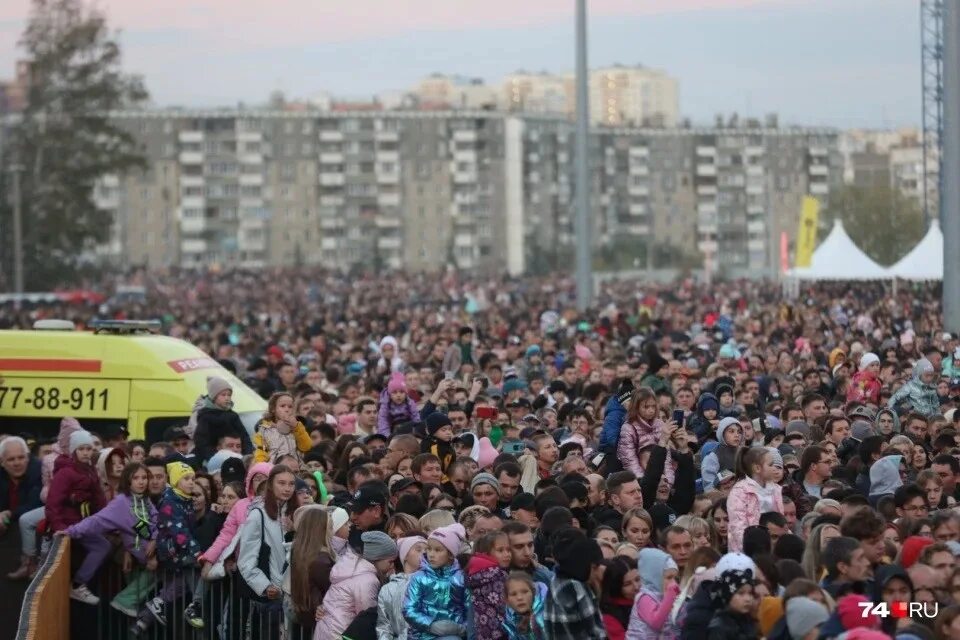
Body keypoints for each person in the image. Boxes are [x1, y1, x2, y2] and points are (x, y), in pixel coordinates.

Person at [60, 462, 157, 608]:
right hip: (145, 558)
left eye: (144, 477)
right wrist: (72, 531)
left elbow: (156, 521)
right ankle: (124, 602)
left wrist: (155, 540)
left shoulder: (145, 499)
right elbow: (97, 520)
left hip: (151, 553)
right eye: (136, 478)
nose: (141, 481)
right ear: (127, 480)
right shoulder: (120, 503)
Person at [239, 465, 296, 639]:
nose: (287, 488)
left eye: (291, 484)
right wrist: (264, 586)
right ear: (270, 485)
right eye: (282, 483)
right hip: (271, 597)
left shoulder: (298, 513)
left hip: (294, 595)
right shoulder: (258, 514)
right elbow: (246, 559)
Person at [315, 530, 398, 639]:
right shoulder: (368, 580)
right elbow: (367, 618)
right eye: (390, 562)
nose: (392, 567)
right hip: (341, 633)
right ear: (377, 558)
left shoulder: (352, 568)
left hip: (326, 630)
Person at [403, 522, 468, 639]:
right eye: (429, 549)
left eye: (438, 550)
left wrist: (462, 628)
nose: (431, 554)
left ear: (451, 554)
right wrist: (430, 625)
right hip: (422, 635)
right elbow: (408, 609)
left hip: (454, 634)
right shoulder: (419, 577)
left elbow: (470, 609)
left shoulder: (462, 579)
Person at [543, 527, 606, 640]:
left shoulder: (556, 580)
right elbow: (597, 633)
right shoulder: (576, 587)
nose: (597, 572)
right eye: (595, 567)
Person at [45, 430, 106, 533]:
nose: (86, 453)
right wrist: (60, 527)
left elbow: (99, 498)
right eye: (81, 449)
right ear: (73, 451)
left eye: (89, 449)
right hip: (68, 524)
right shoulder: (65, 473)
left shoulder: (91, 471)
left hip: (86, 523)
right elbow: (53, 504)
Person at [289, 506, 339, 632]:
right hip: (319, 617)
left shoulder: (300, 551)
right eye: (330, 526)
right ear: (320, 530)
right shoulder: (320, 560)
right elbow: (332, 588)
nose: (332, 531)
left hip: (305, 614)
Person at [0, 436, 43, 580]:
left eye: (21, 457)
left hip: (34, 534)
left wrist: (8, 514)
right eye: (11, 459)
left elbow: (35, 505)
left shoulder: (39, 472)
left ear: (28, 457)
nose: (17, 463)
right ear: (2, 462)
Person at [726, 447, 784, 553]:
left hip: (773, 547)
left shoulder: (775, 489)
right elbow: (738, 526)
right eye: (770, 465)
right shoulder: (740, 491)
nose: (775, 468)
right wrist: (750, 549)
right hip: (746, 551)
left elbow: (780, 518)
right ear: (757, 468)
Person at [193, 376, 255, 462]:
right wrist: (215, 458)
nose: (227, 398)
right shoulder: (206, 416)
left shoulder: (233, 415)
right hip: (214, 461)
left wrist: (247, 455)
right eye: (223, 395)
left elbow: (244, 437)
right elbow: (201, 441)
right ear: (214, 397)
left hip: (237, 458)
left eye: (229, 395)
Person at [377, 535, 427, 640]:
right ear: (405, 556)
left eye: (427, 550)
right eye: (418, 549)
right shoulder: (387, 589)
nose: (424, 553)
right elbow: (383, 625)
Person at [626, 547, 681, 639]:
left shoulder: (661, 595)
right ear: (653, 576)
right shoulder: (644, 597)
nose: (674, 583)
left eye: (675, 578)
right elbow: (656, 623)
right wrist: (670, 596)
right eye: (669, 577)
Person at [465, 531, 511, 640]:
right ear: (487, 553)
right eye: (500, 550)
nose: (507, 554)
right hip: (499, 632)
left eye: (508, 549)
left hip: (482, 632)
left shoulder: (476, 574)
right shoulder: (497, 575)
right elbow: (503, 606)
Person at [253, 392, 312, 465]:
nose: (287, 409)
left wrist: (297, 428)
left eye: (290, 407)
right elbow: (261, 451)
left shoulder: (297, 427)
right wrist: (262, 467)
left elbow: (306, 447)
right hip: (274, 468)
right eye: (282, 406)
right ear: (273, 409)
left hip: (295, 468)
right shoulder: (265, 430)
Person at [705, 563, 758, 640]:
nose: (748, 599)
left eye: (750, 593)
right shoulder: (719, 627)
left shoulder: (747, 621)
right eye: (741, 593)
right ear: (727, 595)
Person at [599, 556, 639, 640]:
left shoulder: (649, 598)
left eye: (638, 579)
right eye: (627, 584)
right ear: (616, 587)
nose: (636, 587)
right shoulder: (610, 616)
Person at [503, 571, 547, 640]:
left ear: (533, 593)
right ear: (507, 600)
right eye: (513, 594)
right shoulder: (510, 618)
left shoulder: (544, 616)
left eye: (525, 592)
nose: (519, 597)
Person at [701, 418, 742, 490]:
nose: (737, 435)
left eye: (739, 432)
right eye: (731, 431)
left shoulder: (744, 453)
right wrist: (728, 474)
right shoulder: (712, 457)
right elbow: (708, 487)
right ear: (722, 433)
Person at [379, 372, 421, 436]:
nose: (398, 395)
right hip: (392, 432)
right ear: (390, 395)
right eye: (394, 392)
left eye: (401, 392)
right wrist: (387, 436)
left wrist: (417, 431)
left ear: (406, 393)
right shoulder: (385, 405)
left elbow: (416, 417)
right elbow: (383, 422)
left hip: (409, 431)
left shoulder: (410, 403)